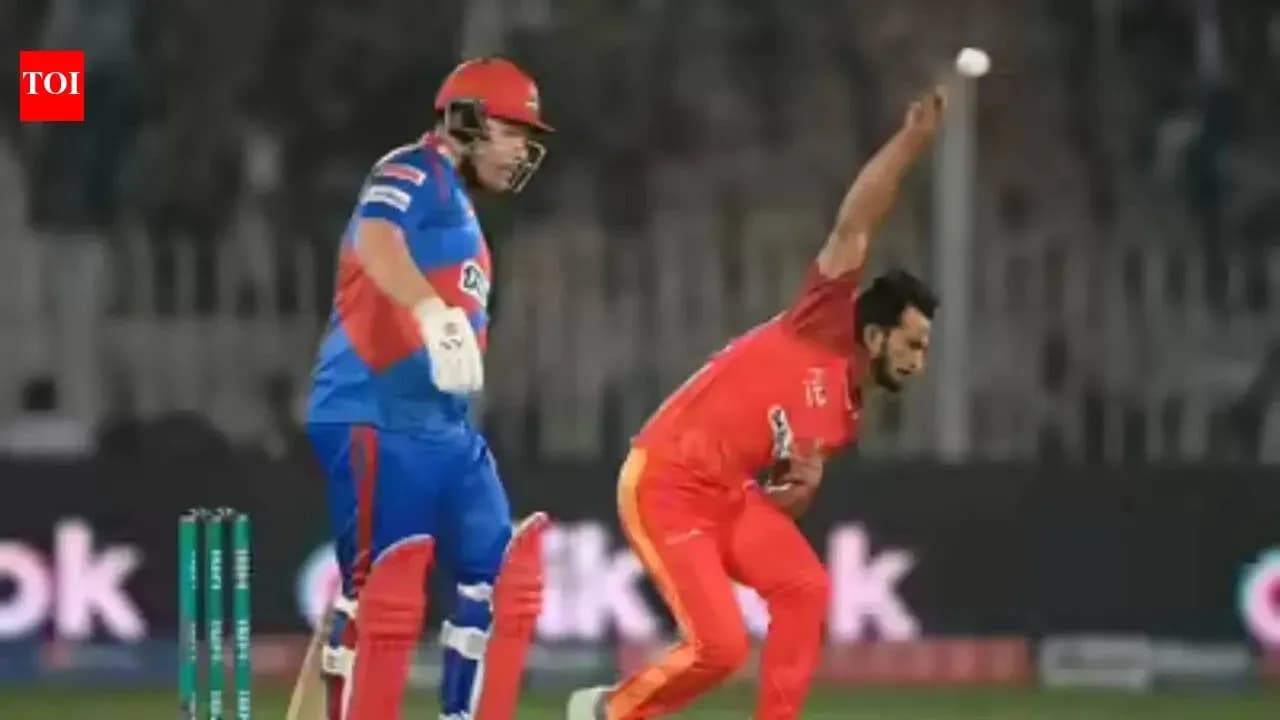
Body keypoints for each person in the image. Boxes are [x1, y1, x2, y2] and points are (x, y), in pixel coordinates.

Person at [567, 87, 946, 720]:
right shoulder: (823, 321)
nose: (918, 361)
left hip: (730, 495)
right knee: (720, 648)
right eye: (912, 343)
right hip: (666, 481)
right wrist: (910, 144)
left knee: (805, 588)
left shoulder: (846, 416)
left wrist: (801, 488)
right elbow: (854, 224)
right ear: (876, 334)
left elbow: (780, 501)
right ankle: (607, 713)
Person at [303, 57, 552, 720]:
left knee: (498, 575)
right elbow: (376, 238)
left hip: (443, 425)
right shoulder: (414, 169)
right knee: (381, 594)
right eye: (513, 131)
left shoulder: (461, 210)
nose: (522, 151)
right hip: (373, 411)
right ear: (465, 121)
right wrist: (431, 312)